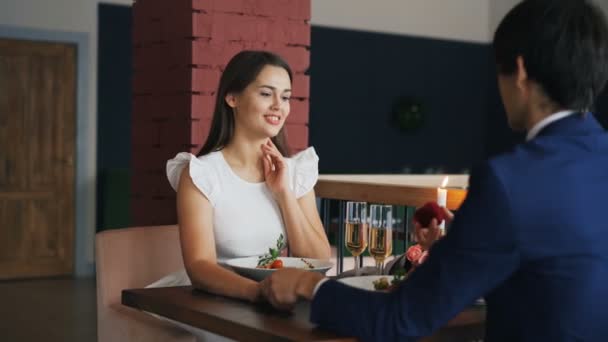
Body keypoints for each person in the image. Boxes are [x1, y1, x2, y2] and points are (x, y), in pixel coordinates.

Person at [260, 1, 608, 341]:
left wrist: (308, 284)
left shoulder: (509, 181)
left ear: (518, 71)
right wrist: (468, 234)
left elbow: (400, 320)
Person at [148, 50, 330, 302]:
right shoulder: (201, 174)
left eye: (286, 97)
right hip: (211, 298)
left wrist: (284, 193)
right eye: (266, 94)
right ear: (232, 98)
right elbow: (199, 266)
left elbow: (318, 260)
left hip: (276, 298)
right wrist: (258, 293)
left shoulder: (295, 172)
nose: (279, 105)